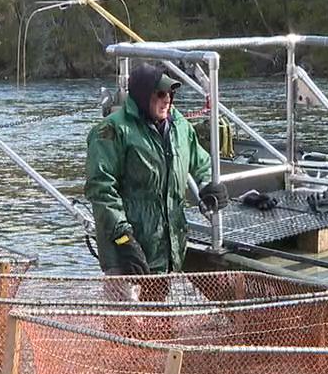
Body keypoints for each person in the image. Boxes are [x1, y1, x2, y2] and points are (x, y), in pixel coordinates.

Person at [84, 63, 229, 275]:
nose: (167, 99)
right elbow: (100, 189)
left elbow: (202, 163)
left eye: (171, 93)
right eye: (160, 94)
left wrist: (209, 186)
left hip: (168, 252)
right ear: (143, 96)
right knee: (126, 298)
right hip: (126, 254)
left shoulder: (181, 126)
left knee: (162, 297)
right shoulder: (111, 130)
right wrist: (124, 240)